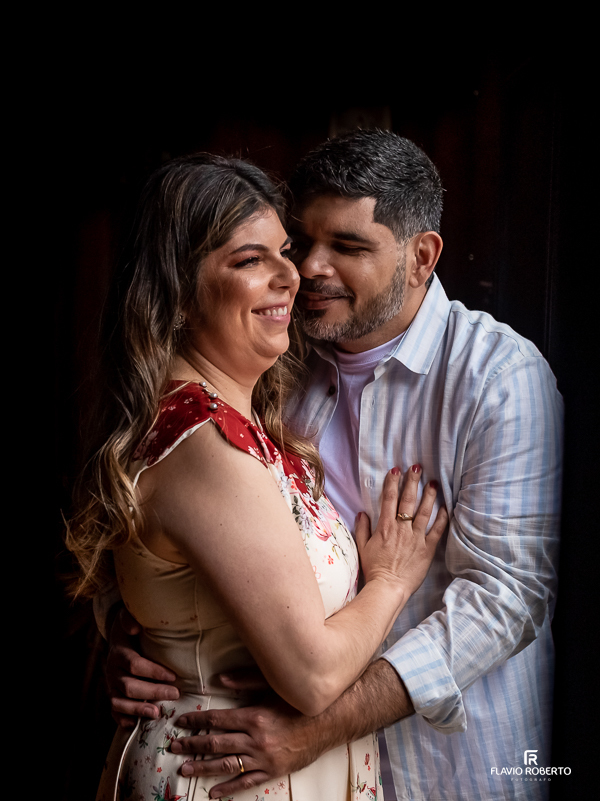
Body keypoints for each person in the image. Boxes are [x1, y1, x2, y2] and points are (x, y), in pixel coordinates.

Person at [103, 131, 563, 801]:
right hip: (257, 762)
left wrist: (320, 727)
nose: (308, 268)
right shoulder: (271, 365)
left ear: (421, 256)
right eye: (300, 241)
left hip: (452, 767)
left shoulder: (498, 378)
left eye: (346, 246)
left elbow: (507, 596)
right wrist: (145, 634)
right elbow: (172, 517)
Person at [67, 153, 448, 801]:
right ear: (177, 291)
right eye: (250, 260)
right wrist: (390, 580)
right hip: (223, 775)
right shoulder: (204, 444)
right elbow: (315, 673)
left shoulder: (245, 421)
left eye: (283, 251)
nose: (291, 274)